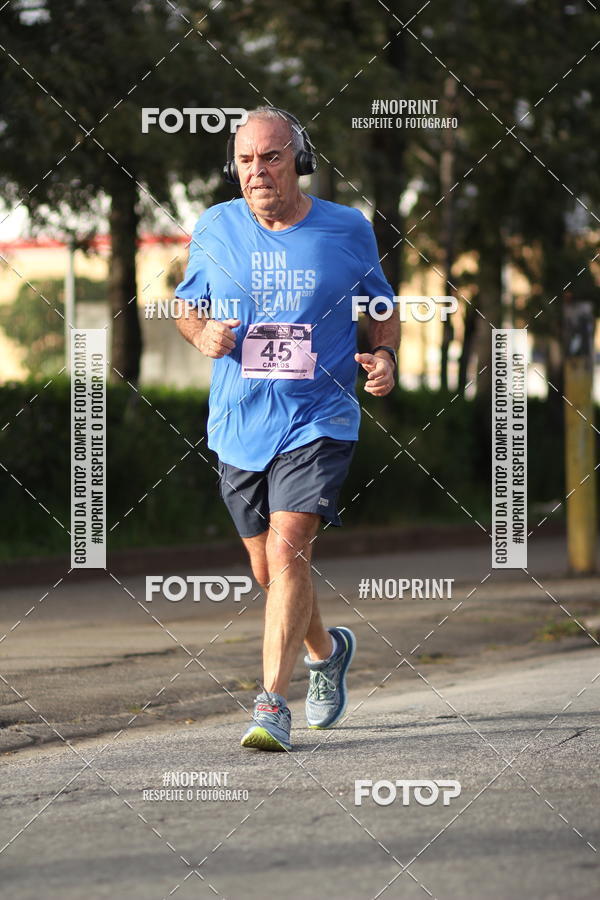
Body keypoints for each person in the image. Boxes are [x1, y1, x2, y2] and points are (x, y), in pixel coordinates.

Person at [175, 107, 399, 751]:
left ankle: (271, 703)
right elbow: (188, 306)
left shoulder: (346, 229)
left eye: (271, 157)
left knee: (289, 548)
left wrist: (382, 357)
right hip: (239, 420)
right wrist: (203, 333)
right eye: (246, 160)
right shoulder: (215, 227)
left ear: (300, 160)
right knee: (267, 568)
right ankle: (327, 652)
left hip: (319, 416)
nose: (258, 171)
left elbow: (380, 309)